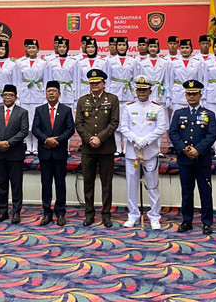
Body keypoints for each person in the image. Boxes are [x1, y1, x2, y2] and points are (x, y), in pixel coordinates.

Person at [169, 80, 216, 235]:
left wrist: (198, 149)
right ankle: (187, 221)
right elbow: (173, 133)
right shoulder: (179, 114)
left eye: (194, 93)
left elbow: (212, 135)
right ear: (185, 95)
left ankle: (207, 222)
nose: (191, 96)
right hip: (185, 159)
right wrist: (184, 149)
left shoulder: (209, 114)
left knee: (205, 192)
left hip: (202, 159)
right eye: (189, 94)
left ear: (200, 95)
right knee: (187, 192)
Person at [119, 75, 167, 230]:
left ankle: (154, 216)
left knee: (152, 185)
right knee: (131, 185)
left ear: (150, 91)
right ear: (135, 90)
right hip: (132, 153)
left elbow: (161, 128)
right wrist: (135, 139)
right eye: (139, 89)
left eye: (144, 90)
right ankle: (133, 214)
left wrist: (145, 140)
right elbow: (123, 127)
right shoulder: (128, 107)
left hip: (150, 152)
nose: (141, 93)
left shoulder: (157, 107)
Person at [74, 69, 120, 228]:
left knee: (106, 183)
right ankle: (89, 214)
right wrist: (89, 139)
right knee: (88, 182)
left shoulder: (112, 99)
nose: (94, 85)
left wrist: (99, 138)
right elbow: (78, 124)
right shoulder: (82, 101)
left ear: (103, 84)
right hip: (88, 149)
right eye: (92, 83)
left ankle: (106, 215)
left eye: (97, 83)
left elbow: (114, 123)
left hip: (106, 148)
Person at [32, 81, 75, 226]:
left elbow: (70, 129)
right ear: (45, 93)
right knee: (46, 184)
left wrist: (58, 140)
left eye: (54, 91)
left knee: (60, 183)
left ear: (59, 93)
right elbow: (35, 128)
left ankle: (61, 213)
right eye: (48, 91)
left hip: (59, 152)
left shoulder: (66, 110)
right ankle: (46, 213)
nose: (51, 93)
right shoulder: (39, 110)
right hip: (45, 152)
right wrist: (46, 140)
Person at [0, 84, 29, 224]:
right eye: (5, 95)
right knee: (1, 184)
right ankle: (2, 211)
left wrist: (9, 143)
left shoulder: (22, 112)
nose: (7, 97)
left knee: (16, 185)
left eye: (10, 95)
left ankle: (16, 212)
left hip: (15, 153)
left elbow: (23, 131)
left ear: (16, 97)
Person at [105, 36, 137, 156]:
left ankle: (128, 148)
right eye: (119, 45)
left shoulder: (133, 61)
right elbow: (107, 79)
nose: (122, 47)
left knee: (129, 121)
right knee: (115, 121)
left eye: (124, 45)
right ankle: (118, 148)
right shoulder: (110, 61)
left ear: (127, 46)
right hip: (115, 92)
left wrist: (135, 95)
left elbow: (135, 78)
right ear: (116, 46)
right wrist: (107, 93)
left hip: (129, 94)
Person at [17, 38, 48, 156]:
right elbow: (17, 80)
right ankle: (28, 146)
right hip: (25, 94)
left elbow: (46, 80)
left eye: (33, 48)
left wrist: (45, 96)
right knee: (26, 122)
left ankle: (35, 146)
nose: (31, 50)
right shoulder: (20, 63)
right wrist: (18, 96)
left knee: (36, 121)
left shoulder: (43, 63)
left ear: (38, 49)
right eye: (29, 47)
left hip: (38, 94)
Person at [46, 38, 78, 111]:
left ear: (67, 48)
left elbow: (76, 79)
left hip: (69, 91)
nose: (62, 49)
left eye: (64, 47)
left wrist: (76, 96)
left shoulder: (73, 62)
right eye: (60, 47)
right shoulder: (52, 62)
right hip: (56, 90)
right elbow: (50, 80)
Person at [0, 40, 21, 109]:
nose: (0, 51)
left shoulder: (13, 64)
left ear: (6, 50)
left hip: (8, 98)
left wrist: (16, 97)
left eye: (3, 49)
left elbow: (15, 82)